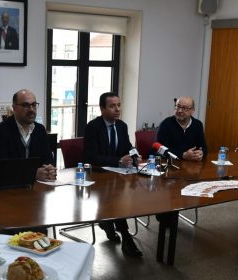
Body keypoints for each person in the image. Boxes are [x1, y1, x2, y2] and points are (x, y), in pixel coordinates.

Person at [83, 92, 143, 258]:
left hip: (117, 177)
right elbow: (91, 156)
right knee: (115, 200)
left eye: (119, 105)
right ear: (102, 108)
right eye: (112, 106)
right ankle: (126, 237)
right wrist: (118, 161)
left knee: (121, 198)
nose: (117, 109)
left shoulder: (122, 126)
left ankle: (107, 222)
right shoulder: (93, 127)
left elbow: (128, 147)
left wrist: (135, 155)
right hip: (97, 177)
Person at [0, 89, 56, 182]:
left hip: (38, 189)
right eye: (26, 105)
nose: (31, 109)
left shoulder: (40, 130)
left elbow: (48, 159)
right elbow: (1, 171)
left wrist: (50, 170)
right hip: (9, 190)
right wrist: (33, 174)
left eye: (34, 105)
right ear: (14, 108)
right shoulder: (0, 132)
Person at [157, 96, 208, 161]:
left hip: (192, 166)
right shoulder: (166, 124)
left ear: (192, 111)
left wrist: (201, 153)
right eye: (178, 106)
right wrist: (183, 155)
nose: (179, 110)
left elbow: (204, 147)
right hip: (171, 164)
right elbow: (160, 150)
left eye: (184, 108)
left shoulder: (198, 124)